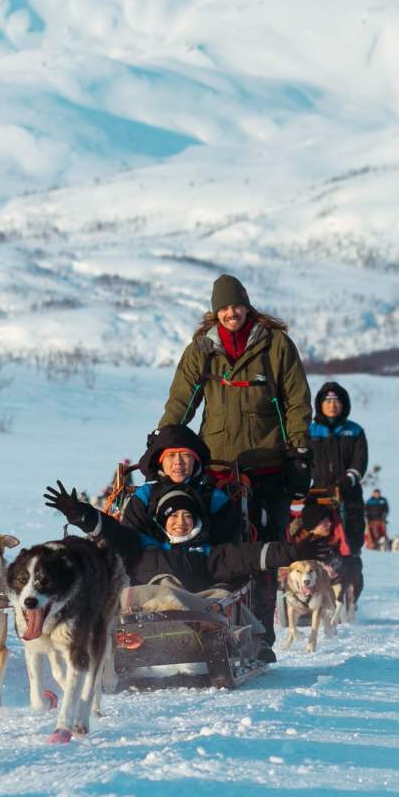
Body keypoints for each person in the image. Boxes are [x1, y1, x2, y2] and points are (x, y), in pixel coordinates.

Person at [155, 274, 312, 658]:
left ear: (247, 306)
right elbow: (182, 400)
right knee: (218, 550)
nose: (231, 313)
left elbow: (296, 400)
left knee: (264, 551)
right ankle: (212, 627)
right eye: (223, 308)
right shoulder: (203, 349)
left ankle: (261, 637)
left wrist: (299, 450)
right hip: (218, 466)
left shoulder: (275, 345)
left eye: (236, 306)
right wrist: (165, 442)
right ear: (215, 312)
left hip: (267, 465)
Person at [45, 481, 329, 595]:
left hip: (196, 610)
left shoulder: (209, 553)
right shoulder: (141, 546)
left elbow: (251, 555)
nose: (180, 522)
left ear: (196, 521)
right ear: (163, 521)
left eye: (187, 516)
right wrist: (79, 513)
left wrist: (294, 552)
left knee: (216, 598)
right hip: (147, 607)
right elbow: (110, 530)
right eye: (173, 516)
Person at [116, 425, 245, 544]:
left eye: (185, 455)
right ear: (161, 462)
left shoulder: (215, 498)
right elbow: (132, 542)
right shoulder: (145, 496)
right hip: (154, 561)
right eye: (171, 455)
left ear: (195, 462)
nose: (178, 462)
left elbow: (228, 545)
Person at [307, 381, 368, 596]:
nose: (332, 405)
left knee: (350, 543)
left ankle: (349, 592)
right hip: (318, 494)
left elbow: (360, 462)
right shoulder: (310, 431)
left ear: (344, 404)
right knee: (314, 538)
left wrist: (348, 480)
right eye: (327, 401)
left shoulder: (354, 431)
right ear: (320, 404)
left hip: (349, 495)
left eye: (336, 401)